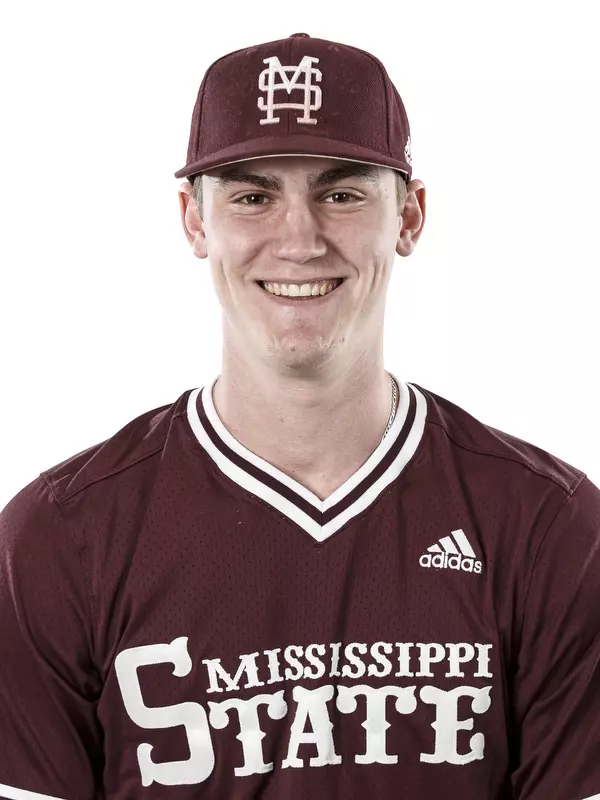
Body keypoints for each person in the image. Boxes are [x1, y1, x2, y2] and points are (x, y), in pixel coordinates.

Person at [0, 31, 598, 800]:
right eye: (253, 196)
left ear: (410, 216)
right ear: (193, 220)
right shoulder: (60, 540)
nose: (299, 239)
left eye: (341, 193)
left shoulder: (549, 528)